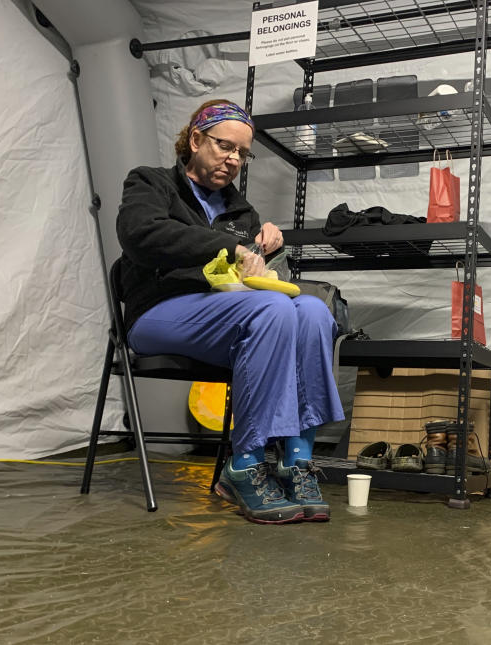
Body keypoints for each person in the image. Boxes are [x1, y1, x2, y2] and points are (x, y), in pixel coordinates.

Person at [115, 99, 344, 525]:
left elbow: (244, 277)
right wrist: (230, 246)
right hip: (158, 313)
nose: (234, 159)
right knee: (273, 308)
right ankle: (245, 463)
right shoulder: (151, 183)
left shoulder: (241, 212)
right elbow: (140, 234)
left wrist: (261, 249)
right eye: (225, 146)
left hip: (225, 317)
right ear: (196, 139)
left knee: (313, 311)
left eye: (242, 153)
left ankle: (296, 461)